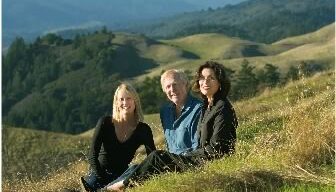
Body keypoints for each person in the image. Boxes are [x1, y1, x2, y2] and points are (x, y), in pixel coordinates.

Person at [107, 62, 238, 191]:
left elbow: (218, 148)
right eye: (202, 78)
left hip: (200, 160)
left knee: (156, 157)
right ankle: (104, 189)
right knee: (136, 167)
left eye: (211, 78)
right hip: (190, 158)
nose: (205, 82)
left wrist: (186, 156)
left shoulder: (219, 108)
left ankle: (122, 186)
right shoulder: (207, 106)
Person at [80, 82, 156, 192]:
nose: (125, 102)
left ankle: (105, 190)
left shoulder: (143, 130)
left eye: (129, 98)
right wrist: (103, 178)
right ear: (116, 102)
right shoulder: (105, 123)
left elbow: (152, 158)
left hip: (122, 176)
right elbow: (92, 155)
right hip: (99, 173)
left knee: (134, 168)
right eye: (121, 99)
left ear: (135, 101)